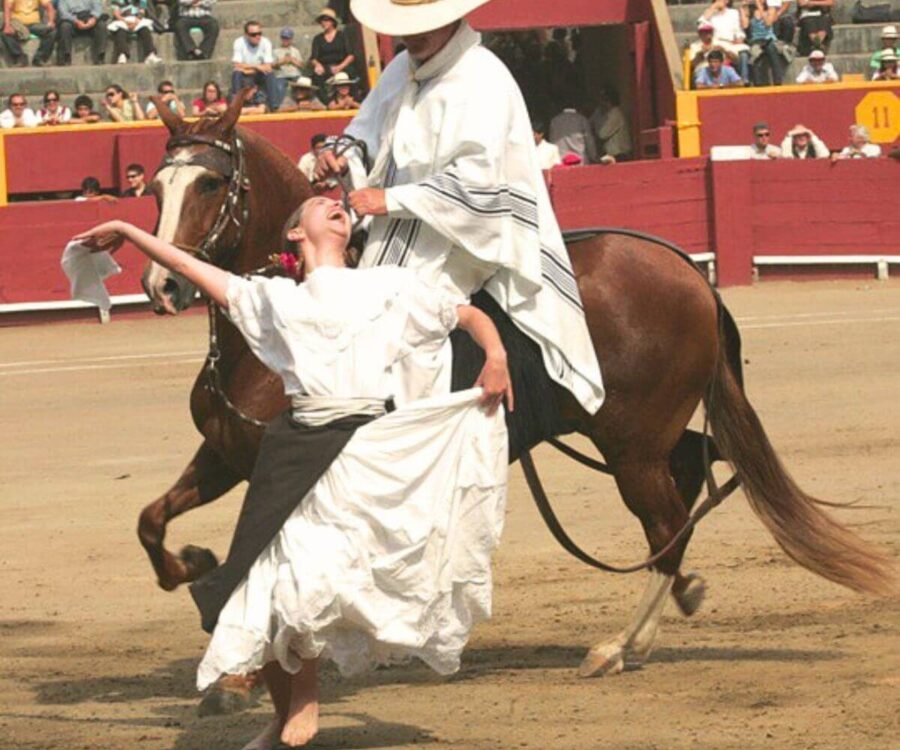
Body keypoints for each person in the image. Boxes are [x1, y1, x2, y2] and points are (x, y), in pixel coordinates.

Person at [74, 195, 511, 748]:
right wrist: (127, 228)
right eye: (317, 204)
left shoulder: (390, 286)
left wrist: (494, 356)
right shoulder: (272, 299)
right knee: (262, 583)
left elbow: (467, 316)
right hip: (296, 447)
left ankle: (297, 704)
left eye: (339, 204)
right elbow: (186, 265)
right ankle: (284, 714)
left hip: (366, 449)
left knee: (317, 577)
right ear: (294, 234)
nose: (335, 203)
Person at [318, 0, 605, 428]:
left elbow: (480, 185)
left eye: (423, 26)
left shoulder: (483, 78)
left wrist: (391, 201)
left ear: (452, 19)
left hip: (468, 232)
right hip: (397, 222)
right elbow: (366, 128)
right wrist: (341, 153)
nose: (411, 36)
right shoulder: (401, 68)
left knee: (410, 314)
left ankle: (422, 426)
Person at [309, 7, 356, 103]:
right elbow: (313, 58)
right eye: (322, 20)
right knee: (316, 76)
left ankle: (353, 99)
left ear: (332, 22)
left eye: (326, 20)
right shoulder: (318, 39)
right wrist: (318, 65)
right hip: (326, 66)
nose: (323, 23)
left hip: (341, 64)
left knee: (351, 72)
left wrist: (340, 67)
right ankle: (326, 102)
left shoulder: (342, 36)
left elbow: (350, 55)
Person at [231, 20, 278, 112]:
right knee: (236, 74)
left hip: (258, 74)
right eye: (253, 34)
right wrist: (257, 67)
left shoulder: (266, 42)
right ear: (246, 35)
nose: (257, 37)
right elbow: (237, 65)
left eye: (259, 33)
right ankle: (236, 106)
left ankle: (274, 106)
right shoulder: (239, 42)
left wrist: (247, 68)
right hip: (245, 76)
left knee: (270, 74)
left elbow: (268, 67)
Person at [699, 0, 750, 83]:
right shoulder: (710, 13)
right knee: (716, 55)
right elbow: (700, 23)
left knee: (744, 53)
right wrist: (714, 7)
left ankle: (744, 80)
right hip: (717, 43)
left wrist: (740, 37)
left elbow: (738, 30)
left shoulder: (733, 13)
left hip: (732, 44)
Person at [741, 0, 789, 86]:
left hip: (769, 39)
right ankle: (758, 83)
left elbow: (768, 23)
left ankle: (778, 81)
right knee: (755, 53)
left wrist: (760, 8)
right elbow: (745, 25)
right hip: (756, 40)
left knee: (771, 48)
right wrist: (742, 9)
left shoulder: (771, 9)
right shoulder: (750, 11)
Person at [1, 0, 57, 67]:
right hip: (18, 24)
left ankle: (39, 58)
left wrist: (51, 21)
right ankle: (20, 58)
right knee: (6, 34)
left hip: (34, 24)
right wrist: (7, 25)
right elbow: (7, 8)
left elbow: (49, 6)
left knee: (51, 32)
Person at [549, 93, 597, 165]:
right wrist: (594, 157)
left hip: (561, 162)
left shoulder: (555, 121)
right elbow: (589, 142)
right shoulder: (582, 120)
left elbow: (552, 141)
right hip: (580, 162)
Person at [56, 0, 107, 65]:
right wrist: (76, 21)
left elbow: (98, 8)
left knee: (102, 25)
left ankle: (100, 56)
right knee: (65, 26)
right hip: (73, 21)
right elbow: (63, 13)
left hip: (90, 18)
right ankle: (66, 57)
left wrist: (93, 19)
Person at [589, 87, 632, 162]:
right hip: (611, 154)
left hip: (619, 154)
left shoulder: (615, 114)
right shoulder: (602, 113)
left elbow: (602, 134)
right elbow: (589, 123)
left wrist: (599, 116)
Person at [273, 26, 303, 109]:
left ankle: (301, 104)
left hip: (295, 74)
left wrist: (293, 61)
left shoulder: (295, 51)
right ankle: (280, 106)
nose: (285, 40)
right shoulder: (276, 51)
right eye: (284, 38)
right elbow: (272, 65)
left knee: (302, 84)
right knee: (279, 86)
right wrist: (281, 61)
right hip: (281, 75)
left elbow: (301, 65)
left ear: (291, 39)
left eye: (287, 38)